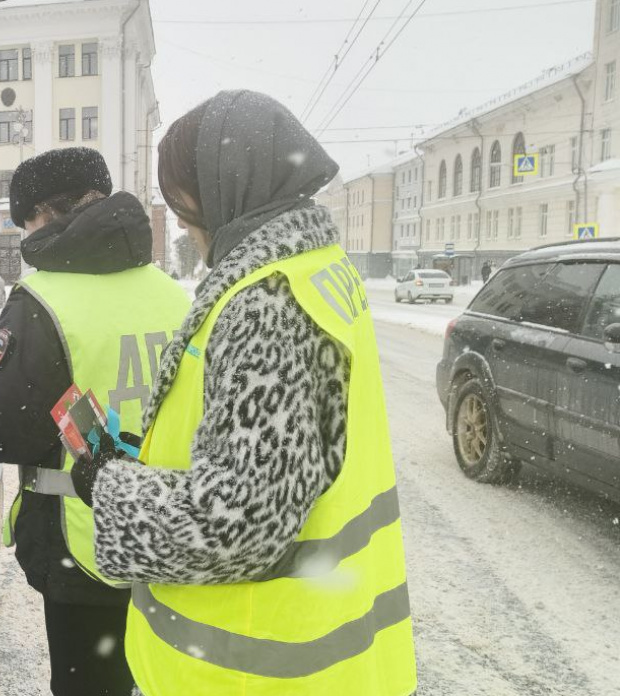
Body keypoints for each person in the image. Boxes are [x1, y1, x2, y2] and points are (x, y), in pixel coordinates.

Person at [71, 91, 417, 695]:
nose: (185, 224)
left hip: (251, 673)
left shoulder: (267, 305)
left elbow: (239, 523)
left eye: (186, 206)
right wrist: (152, 465)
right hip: (318, 648)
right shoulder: (316, 268)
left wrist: (111, 488)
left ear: (229, 188)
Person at [0, 147, 190, 696]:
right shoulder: (171, 295)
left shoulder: (43, 300)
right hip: (169, 528)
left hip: (85, 542)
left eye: (25, 223)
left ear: (42, 214)